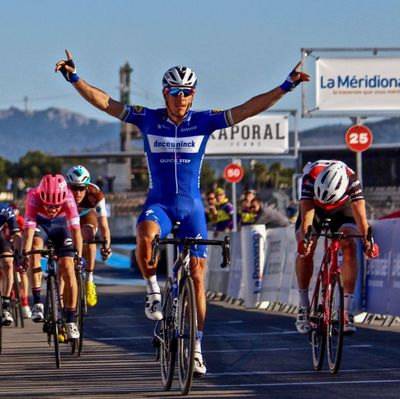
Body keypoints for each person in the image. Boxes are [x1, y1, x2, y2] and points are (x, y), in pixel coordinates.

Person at [55, 49, 309, 375]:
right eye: (175, 92)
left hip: (192, 210)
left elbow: (247, 109)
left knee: (198, 279)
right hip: (159, 204)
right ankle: (153, 294)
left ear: (193, 94)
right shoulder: (148, 118)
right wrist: (75, 78)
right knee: (145, 235)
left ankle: (198, 348)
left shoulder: (204, 120)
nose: (181, 98)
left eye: (187, 92)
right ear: (165, 93)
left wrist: (286, 85)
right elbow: (106, 102)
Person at [295, 160, 379, 336]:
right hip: (314, 208)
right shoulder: (310, 177)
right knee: (306, 248)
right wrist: (306, 239)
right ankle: (303, 306)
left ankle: (346, 312)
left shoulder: (352, 180)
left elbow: (361, 220)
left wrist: (368, 243)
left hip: (341, 208)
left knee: (349, 243)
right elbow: (306, 220)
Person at [22, 174, 83, 340]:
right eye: (48, 206)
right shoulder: (33, 196)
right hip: (40, 226)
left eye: (56, 206)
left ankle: (70, 320)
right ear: (42, 197)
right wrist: (24, 255)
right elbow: (28, 231)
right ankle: (38, 303)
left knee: (68, 268)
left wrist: (78, 255)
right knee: (34, 249)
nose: (52, 209)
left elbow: (76, 231)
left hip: (61, 227)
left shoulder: (69, 197)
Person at [65, 165, 112, 307]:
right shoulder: (62, 193)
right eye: (74, 188)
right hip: (68, 216)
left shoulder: (95, 195)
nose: (77, 192)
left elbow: (104, 226)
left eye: (81, 188)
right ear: (68, 186)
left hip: (86, 215)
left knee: (89, 236)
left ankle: (89, 280)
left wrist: (106, 247)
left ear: (87, 187)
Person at [3, 203, 31, 319]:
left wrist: (22, 253)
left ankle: (25, 302)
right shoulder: (3, 223)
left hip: (17, 244)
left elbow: (24, 235)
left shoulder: (20, 220)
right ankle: (6, 294)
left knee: (22, 271)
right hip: (6, 245)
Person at [0, 203, 23, 326]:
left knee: (8, 262)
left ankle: (6, 304)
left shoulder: (5, 210)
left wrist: (19, 254)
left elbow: (16, 235)